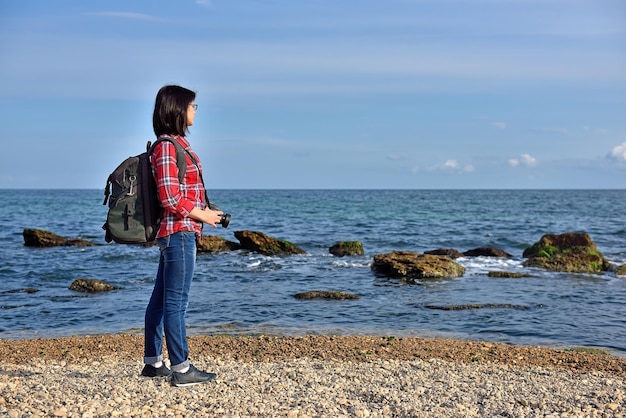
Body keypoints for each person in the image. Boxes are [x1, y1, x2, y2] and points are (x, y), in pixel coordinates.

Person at [141, 85, 224, 387]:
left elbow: (180, 193)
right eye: (192, 105)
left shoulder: (176, 144)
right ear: (177, 109)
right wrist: (202, 214)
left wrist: (206, 212)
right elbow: (169, 197)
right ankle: (182, 368)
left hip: (179, 231)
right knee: (176, 302)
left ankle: (153, 363)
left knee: (162, 299)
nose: (195, 110)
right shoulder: (166, 146)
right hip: (178, 233)